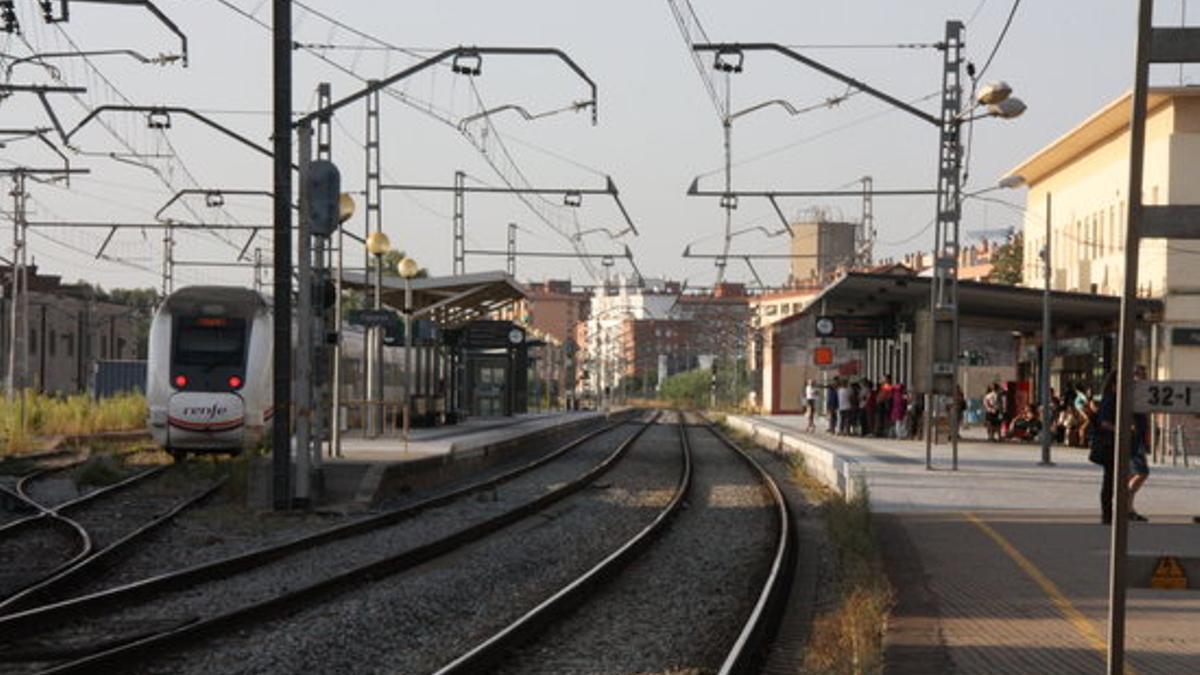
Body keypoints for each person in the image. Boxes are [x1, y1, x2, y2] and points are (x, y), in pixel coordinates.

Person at [1129, 366, 1151, 522]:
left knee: (1133, 473)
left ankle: (1128, 507)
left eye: (1144, 375)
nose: (1142, 378)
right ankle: (1125, 504)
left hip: (1139, 437)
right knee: (1142, 472)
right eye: (1139, 375)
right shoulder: (1131, 392)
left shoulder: (1144, 393)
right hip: (1133, 439)